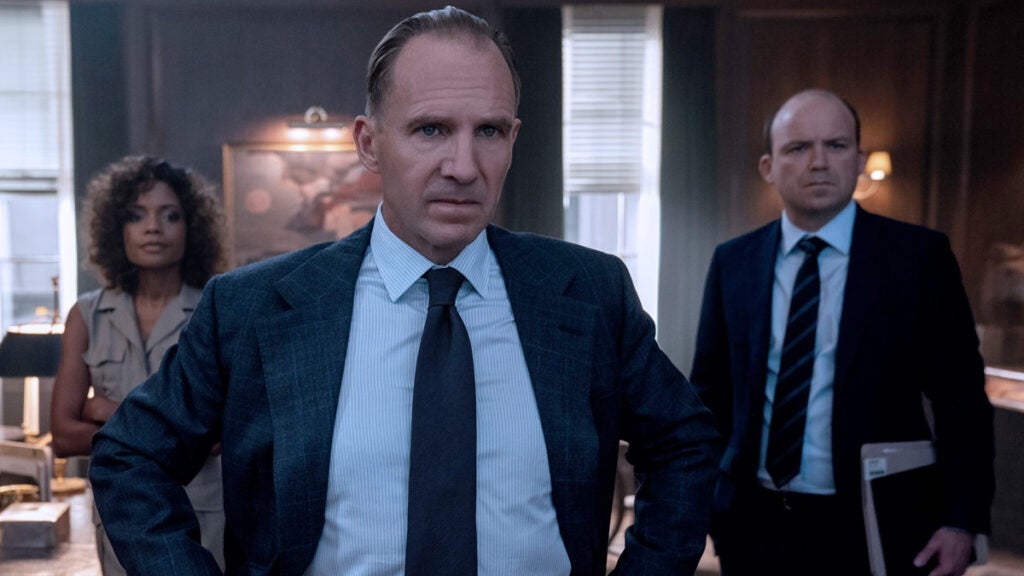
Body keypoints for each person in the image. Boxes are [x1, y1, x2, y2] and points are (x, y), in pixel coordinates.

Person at [89, 6, 718, 575]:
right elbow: (129, 457)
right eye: (431, 129)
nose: (464, 167)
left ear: (513, 140)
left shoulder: (588, 293)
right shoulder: (252, 308)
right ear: (369, 143)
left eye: (489, 131)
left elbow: (685, 443)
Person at [690, 88, 994, 576]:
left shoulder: (919, 258)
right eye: (798, 148)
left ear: (858, 160)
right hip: (752, 522)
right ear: (768, 167)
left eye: (835, 145)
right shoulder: (734, 261)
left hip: (878, 521)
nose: (819, 162)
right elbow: (710, 395)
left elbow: (961, 399)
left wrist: (963, 519)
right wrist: (704, 503)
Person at [51, 155, 227, 574]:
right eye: (136, 215)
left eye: (170, 215)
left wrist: (106, 410)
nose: (153, 227)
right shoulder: (87, 315)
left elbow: (225, 436)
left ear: (192, 227)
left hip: (204, 520)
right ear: (117, 228)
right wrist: (176, 433)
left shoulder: (219, 307)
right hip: (120, 518)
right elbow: (63, 435)